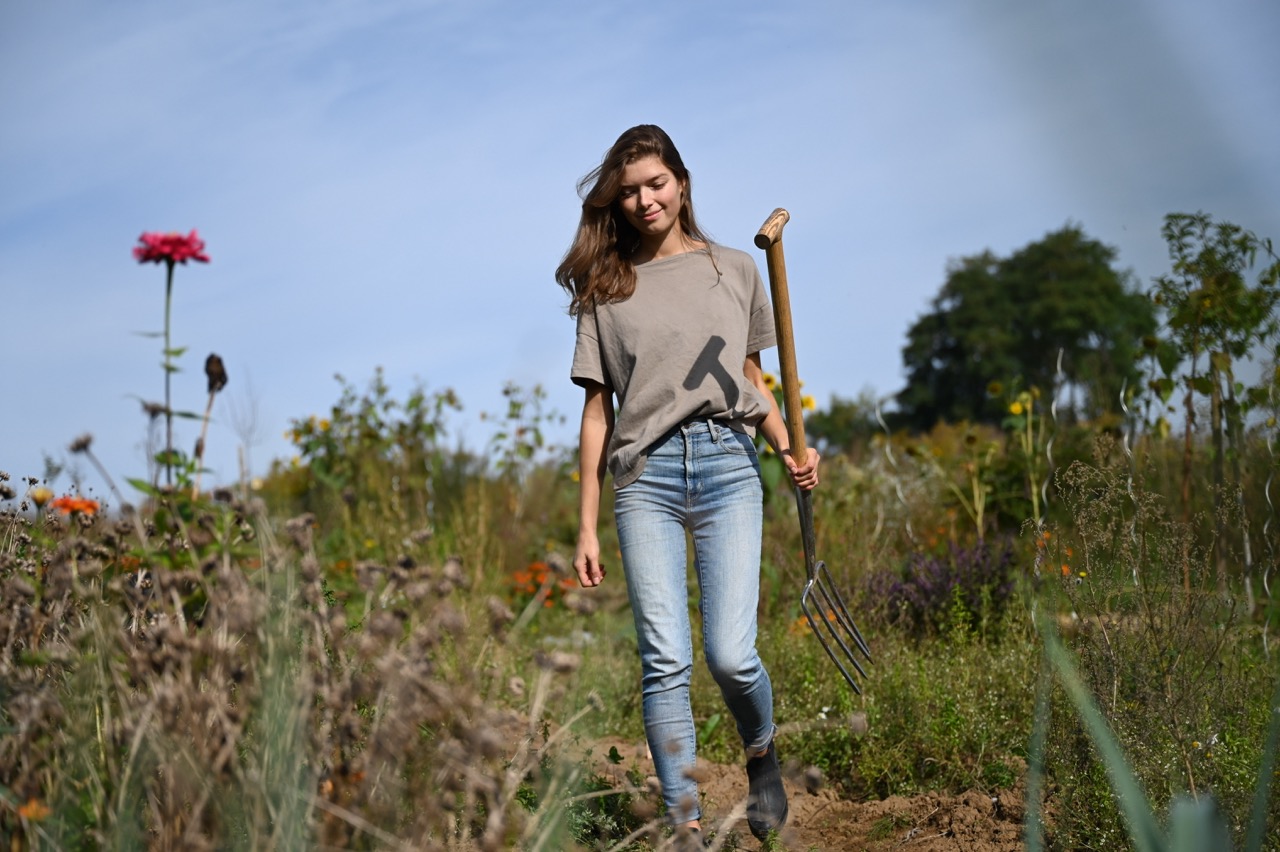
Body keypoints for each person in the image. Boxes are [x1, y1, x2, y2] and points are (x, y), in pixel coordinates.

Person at [556, 124, 820, 842]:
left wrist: (790, 447)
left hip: (728, 464)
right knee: (665, 660)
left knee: (731, 656)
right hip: (644, 477)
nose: (645, 200)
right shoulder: (606, 289)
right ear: (616, 201)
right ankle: (685, 827)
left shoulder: (734, 269)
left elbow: (751, 379)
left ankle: (760, 752)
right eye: (630, 191)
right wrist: (585, 524)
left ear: (681, 182)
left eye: (657, 183)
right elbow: (597, 413)